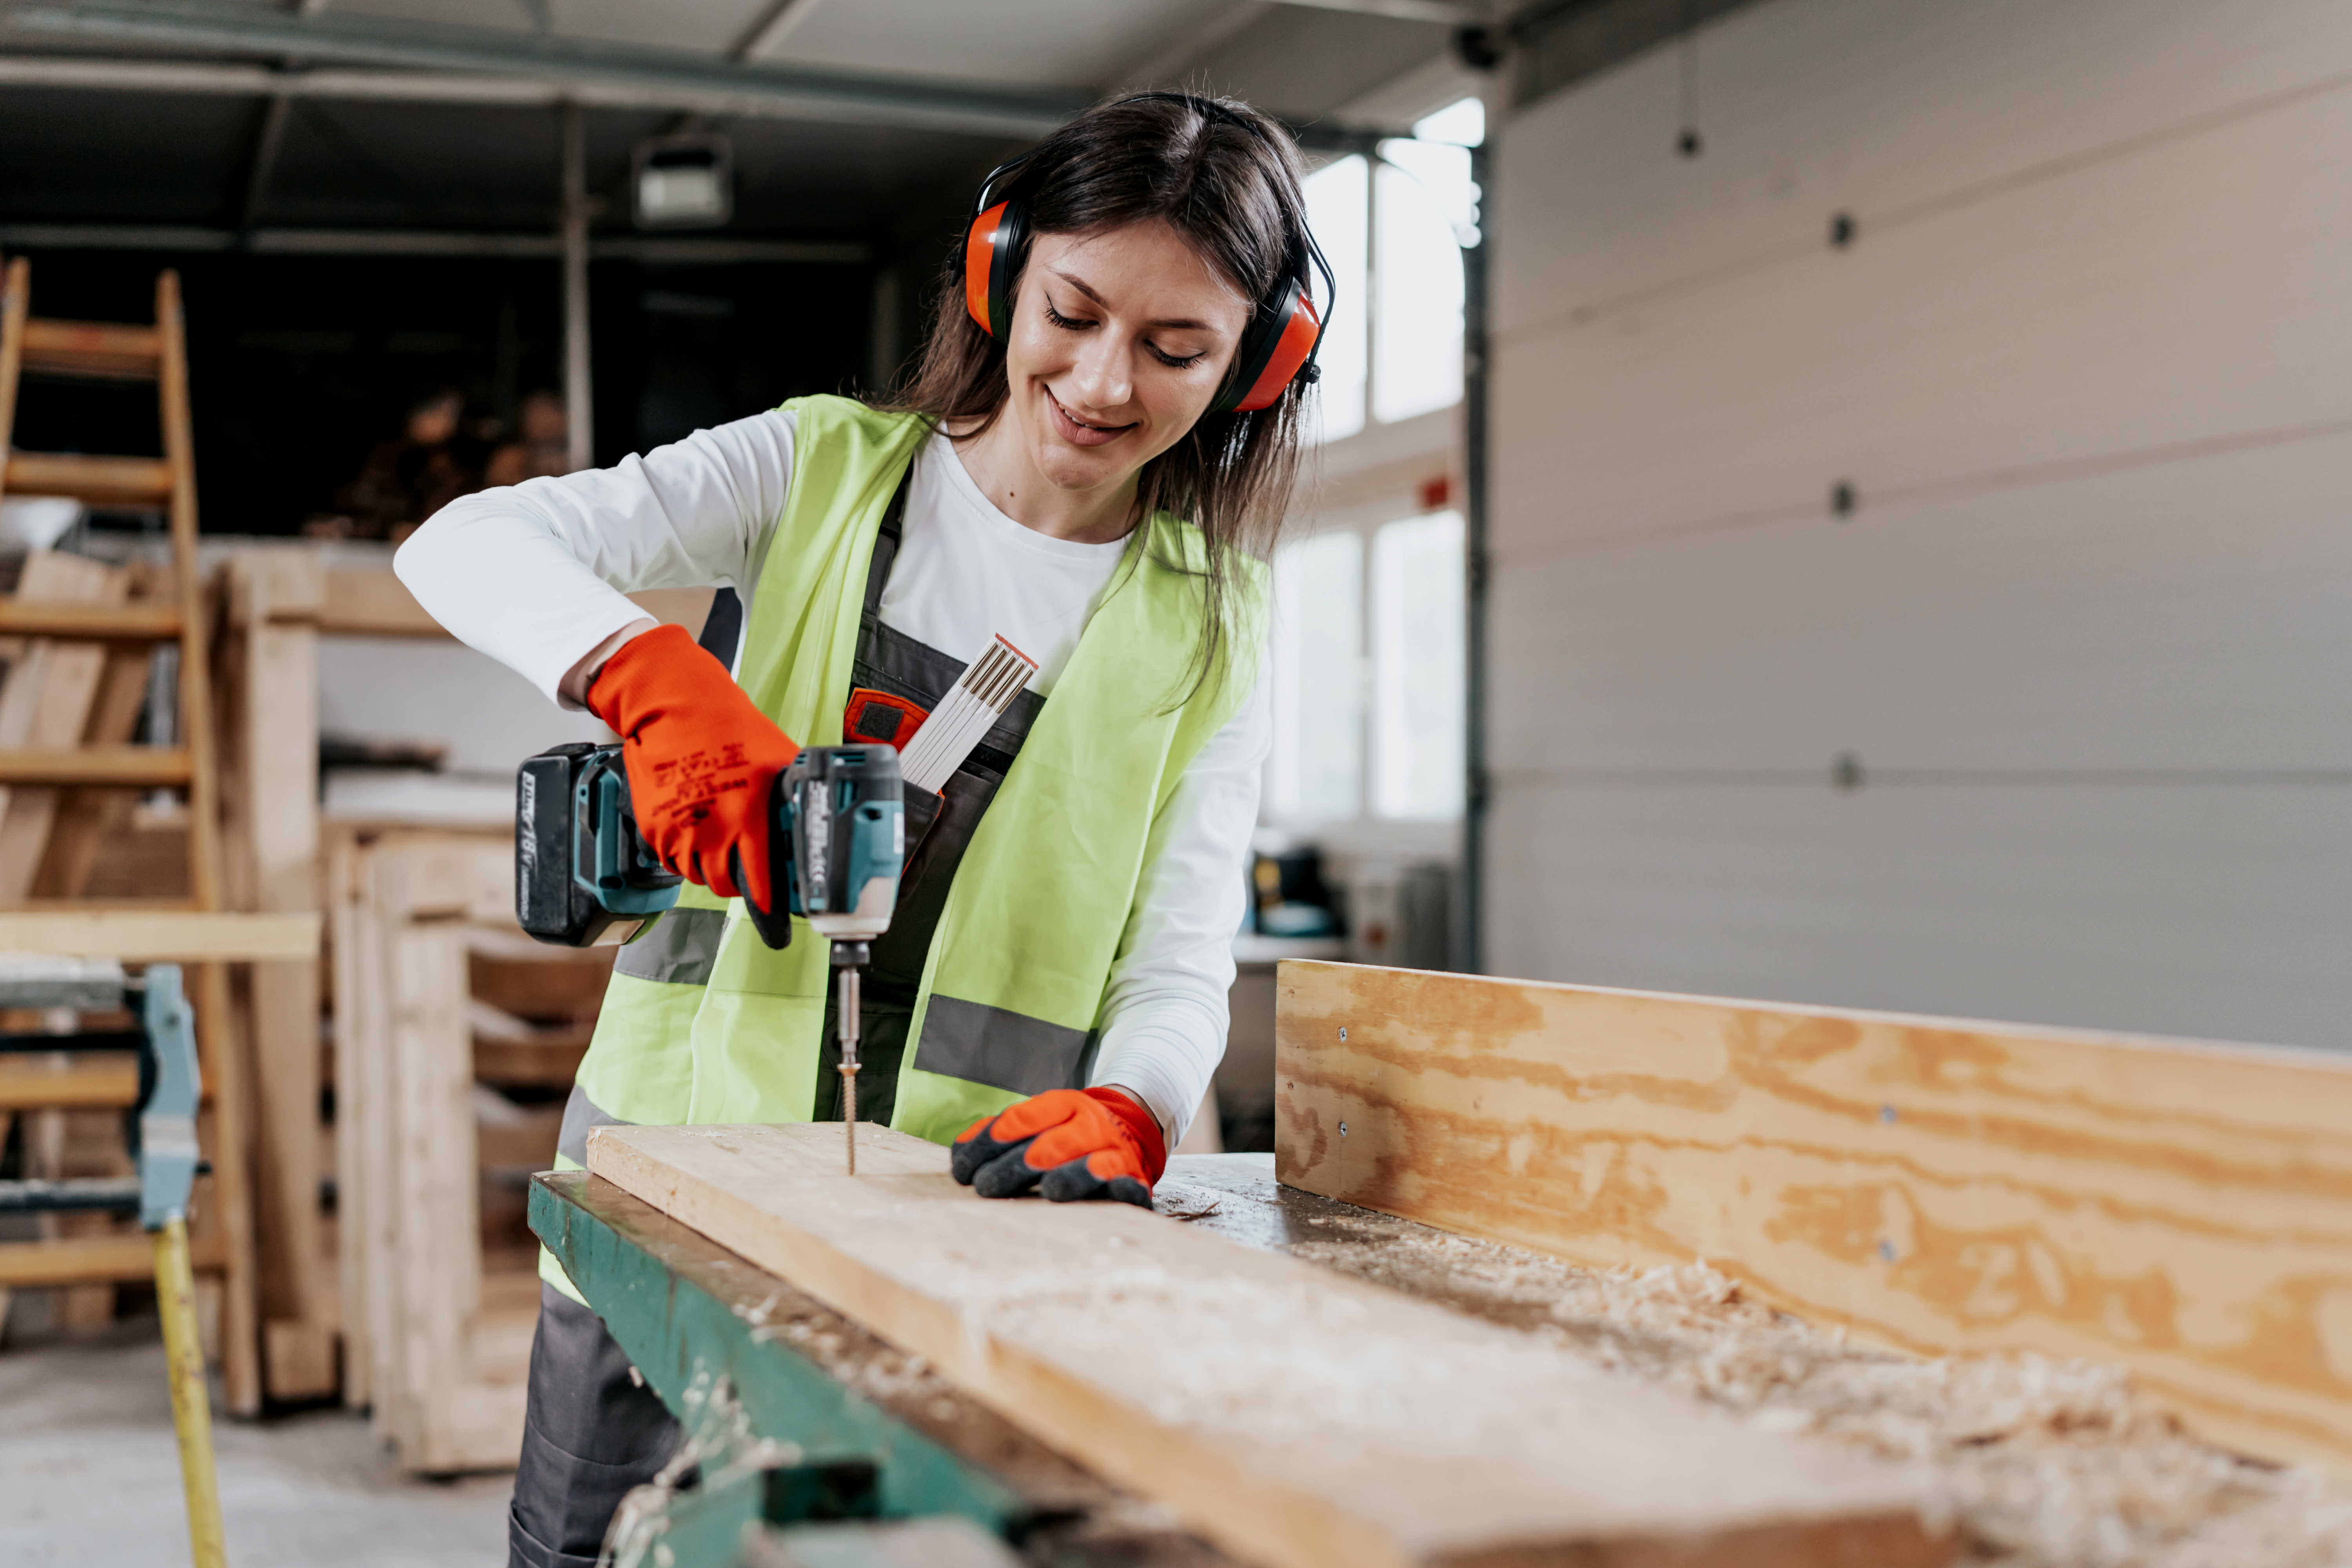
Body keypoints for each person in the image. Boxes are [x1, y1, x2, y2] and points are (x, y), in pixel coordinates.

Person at [396, 89, 1327, 1568]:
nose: (1099, 381)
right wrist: (648, 682)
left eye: (1175, 349)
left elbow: (1178, 956)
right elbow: (461, 541)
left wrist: (1139, 1105)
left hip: (957, 1227)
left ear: (1259, 363)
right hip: (671, 1184)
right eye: (1074, 311)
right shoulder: (815, 472)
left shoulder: (1214, 620)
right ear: (1001, 272)